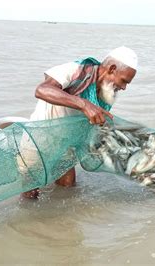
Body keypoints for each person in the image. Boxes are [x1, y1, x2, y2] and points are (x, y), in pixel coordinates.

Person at [21, 46, 138, 199]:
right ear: (112, 69)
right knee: (30, 194)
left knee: (68, 189)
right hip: (39, 139)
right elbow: (42, 90)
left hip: (66, 145)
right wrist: (84, 104)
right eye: (123, 81)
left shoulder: (107, 93)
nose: (123, 87)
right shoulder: (75, 70)